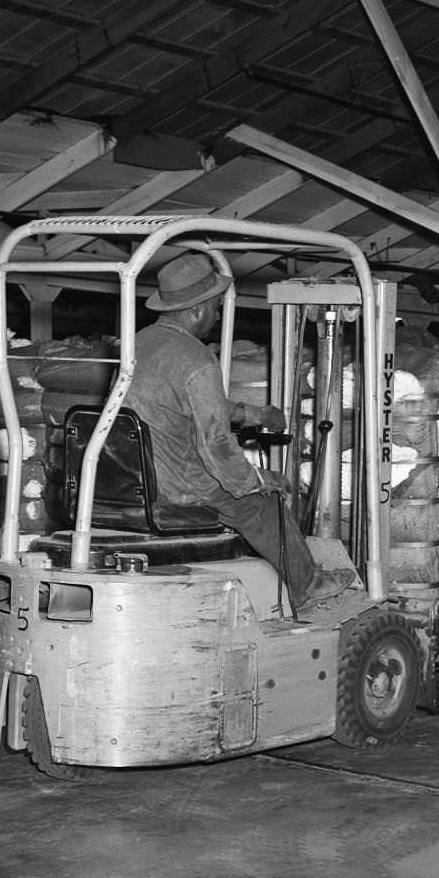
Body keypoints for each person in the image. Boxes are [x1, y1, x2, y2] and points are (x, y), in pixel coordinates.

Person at [122, 252, 354, 611]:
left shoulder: (140, 343)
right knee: (265, 505)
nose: (216, 316)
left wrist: (253, 413)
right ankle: (309, 585)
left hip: (135, 477)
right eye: (215, 307)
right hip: (180, 488)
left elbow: (188, 405)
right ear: (196, 310)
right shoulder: (195, 358)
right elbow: (216, 444)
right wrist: (258, 480)